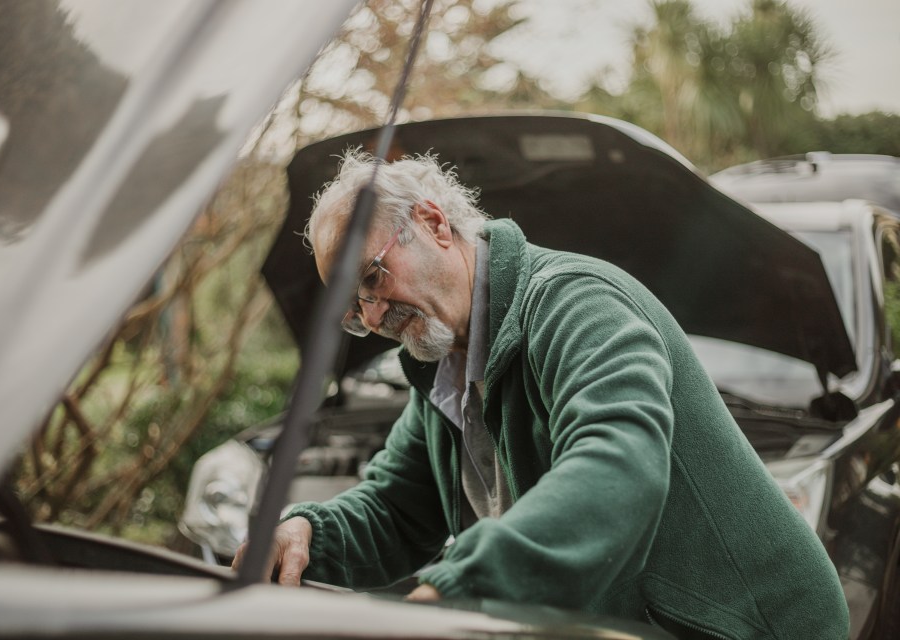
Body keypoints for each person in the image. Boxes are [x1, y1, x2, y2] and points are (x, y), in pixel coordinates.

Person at [238, 150, 849, 639]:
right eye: (352, 310)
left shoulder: (577, 303)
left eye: (370, 279)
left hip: (747, 625)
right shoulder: (439, 368)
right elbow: (398, 506)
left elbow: (616, 466)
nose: (370, 318)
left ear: (432, 223)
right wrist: (307, 536)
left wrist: (465, 586)